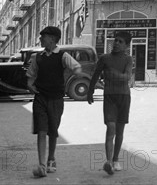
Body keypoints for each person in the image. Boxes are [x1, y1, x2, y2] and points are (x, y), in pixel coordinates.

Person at [27, 26, 81, 178]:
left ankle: (51, 158)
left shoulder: (63, 56)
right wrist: (30, 85)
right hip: (40, 98)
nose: (40, 39)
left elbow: (77, 68)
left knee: (52, 130)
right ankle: (42, 164)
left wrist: (69, 73)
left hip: (56, 99)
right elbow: (31, 75)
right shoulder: (38, 57)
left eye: (42, 36)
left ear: (52, 38)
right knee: (41, 130)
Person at [87, 31, 133, 175]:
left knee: (120, 130)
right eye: (115, 40)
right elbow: (95, 74)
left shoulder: (128, 59)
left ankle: (116, 159)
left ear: (126, 45)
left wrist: (112, 74)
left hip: (124, 96)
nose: (116, 43)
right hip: (110, 97)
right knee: (111, 127)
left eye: (120, 41)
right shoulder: (105, 58)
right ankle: (108, 161)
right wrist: (90, 91)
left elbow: (127, 77)